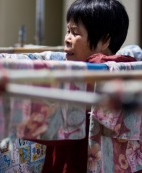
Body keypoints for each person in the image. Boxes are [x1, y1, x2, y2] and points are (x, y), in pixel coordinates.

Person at [41, 0, 136, 173]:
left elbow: (59, 130)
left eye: (75, 32)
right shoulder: (131, 69)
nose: (67, 38)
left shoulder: (89, 73)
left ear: (105, 40)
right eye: (68, 31)